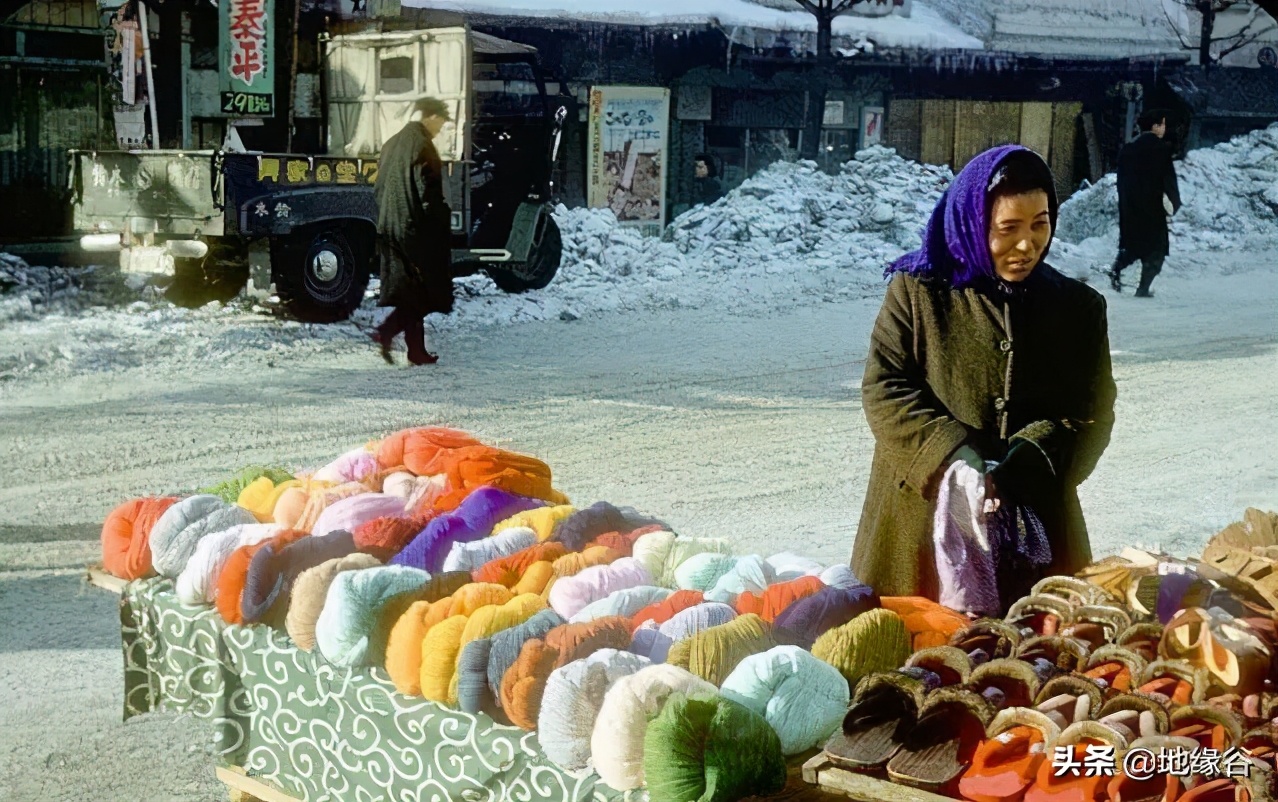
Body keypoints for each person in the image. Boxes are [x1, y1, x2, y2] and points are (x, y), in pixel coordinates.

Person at [851, 145, 1117, 610]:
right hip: (919, 520)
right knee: (914, 653)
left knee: (1029, 661)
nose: (1026, 245)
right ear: (974, 224)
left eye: (1040, 224)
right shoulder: (919, 292)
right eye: (1007, 229)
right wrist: (957, 459)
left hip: (1034, 522)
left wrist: (1024, 464)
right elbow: (885, 387)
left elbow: (1089, 413)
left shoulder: (1078, 309)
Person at [371, 97, 455, 366]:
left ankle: (415, 351)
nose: (440, 129)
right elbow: (428, 194)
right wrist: (441, 221)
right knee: (423, 291)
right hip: (415, 230)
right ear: (430, 117)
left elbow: (378, 187)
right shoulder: (423, 146)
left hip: (390, 227)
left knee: (412, 292)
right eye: (440, 123)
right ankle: (386, 332)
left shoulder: (392, 143)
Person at [1110, 109, 1181, 298]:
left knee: (1133, 246)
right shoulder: (1161, 149)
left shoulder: (1128, 149)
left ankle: (1116, 269)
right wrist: (1174, 202)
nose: (1164, 128)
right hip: (1153, 210)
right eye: (1163, 124)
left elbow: (1121, 180)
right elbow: (1168, 181)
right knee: (1156, 252)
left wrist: (1125, 203)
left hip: (1130, 208)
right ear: (1156, 126)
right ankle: (1143, 288)